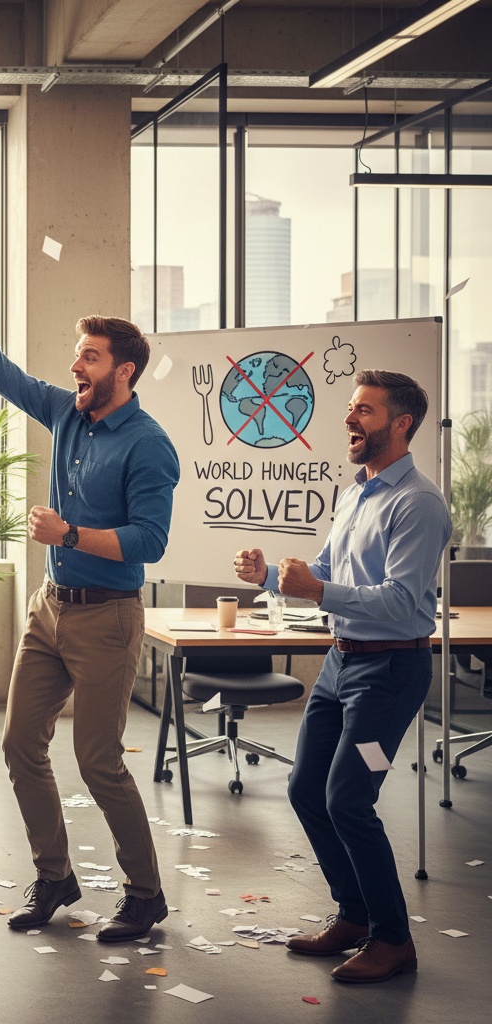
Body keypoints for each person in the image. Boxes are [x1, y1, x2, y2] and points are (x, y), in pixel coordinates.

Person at [0, 243, 179, 942]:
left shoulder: (149, 445)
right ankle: (55, 876)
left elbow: (149, 543)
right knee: (18, 745)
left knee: (96, 759)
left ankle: (146, 892)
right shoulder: (67, 412)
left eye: (91, 356)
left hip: (108, 619)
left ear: (124, 370)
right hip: (50, 610)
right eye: (77, 354)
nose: (77, 366)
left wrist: (70, 533)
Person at [234, 369, 451, 984]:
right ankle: (354, 916)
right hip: (340, 664)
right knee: (307, 790)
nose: (350, 419)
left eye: (364, 411)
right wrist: (272, 577)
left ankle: (393, 940)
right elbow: (327, 569)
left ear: (401, 423)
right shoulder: (356, 492)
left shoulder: (419, 504)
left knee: (350, 798)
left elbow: (404, 603)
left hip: (389, 673)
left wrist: (320, 588)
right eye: (351, 408)